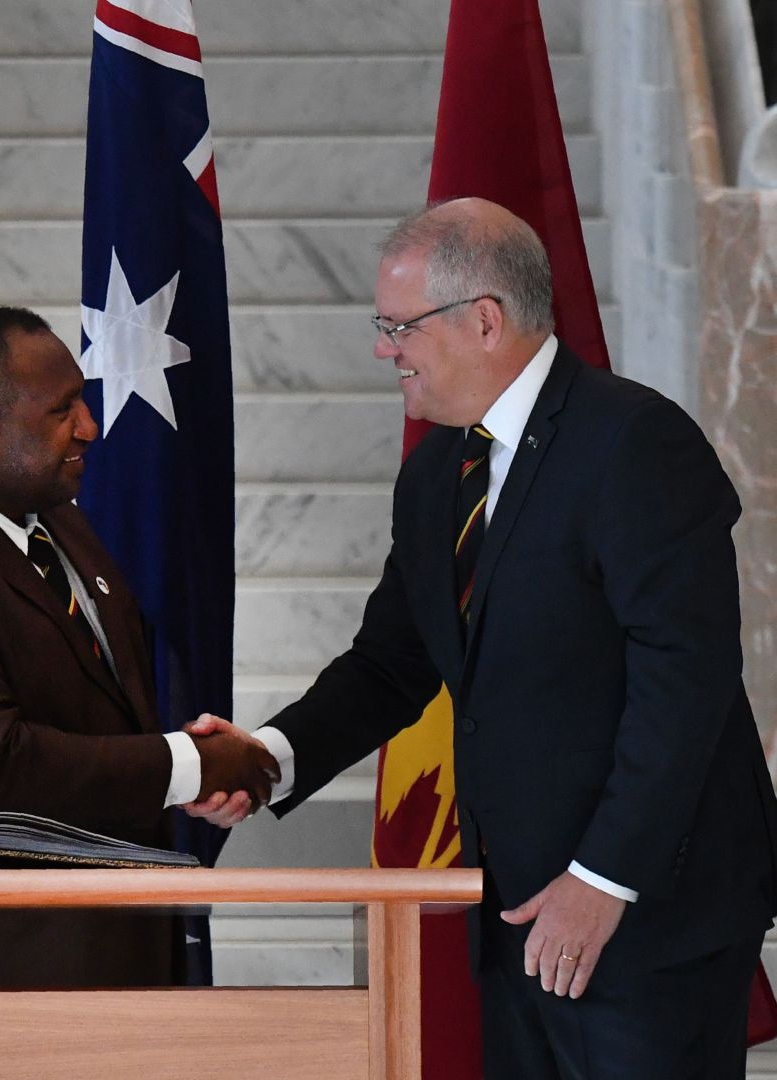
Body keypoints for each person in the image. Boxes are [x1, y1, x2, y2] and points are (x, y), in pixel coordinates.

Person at [185, 199, 777, 1078]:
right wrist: (268, 755)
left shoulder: (634, 442)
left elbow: (685, 683)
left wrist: (603, 881)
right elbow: (393, 661)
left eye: (399, 327)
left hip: (648, 920)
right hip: (517, 921)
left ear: (486, 319)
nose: (386, 350)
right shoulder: (436, 474)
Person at [0, 305, 278, 990]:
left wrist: (196, 765)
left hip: (109, 958)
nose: (90, 428)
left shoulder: (53, 517)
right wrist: (186, 765)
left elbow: (105, 710)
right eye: (63, 409)